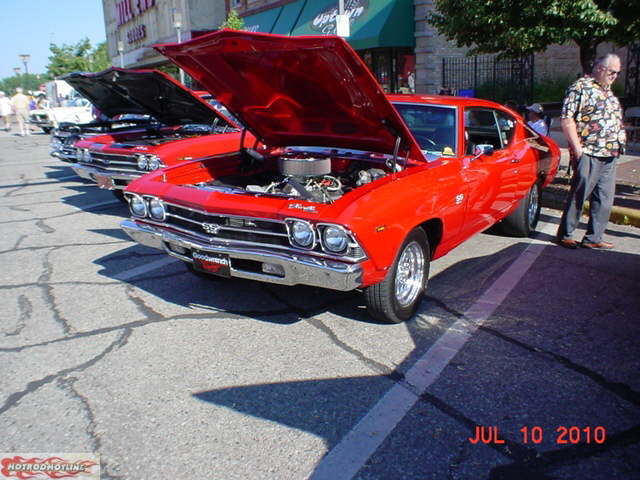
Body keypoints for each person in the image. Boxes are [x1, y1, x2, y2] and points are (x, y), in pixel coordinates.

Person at [556, 53, 626, 250]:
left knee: (604, 198)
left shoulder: (608, 92)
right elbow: (567, 119)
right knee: (580, 194)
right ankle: (566, 234)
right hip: (590, 151)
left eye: (618, 73)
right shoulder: (580, 87)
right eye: (612, 72)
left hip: (610, 153)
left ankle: (594, 237)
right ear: (599, 68)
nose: (615, 76)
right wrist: (578, 151)